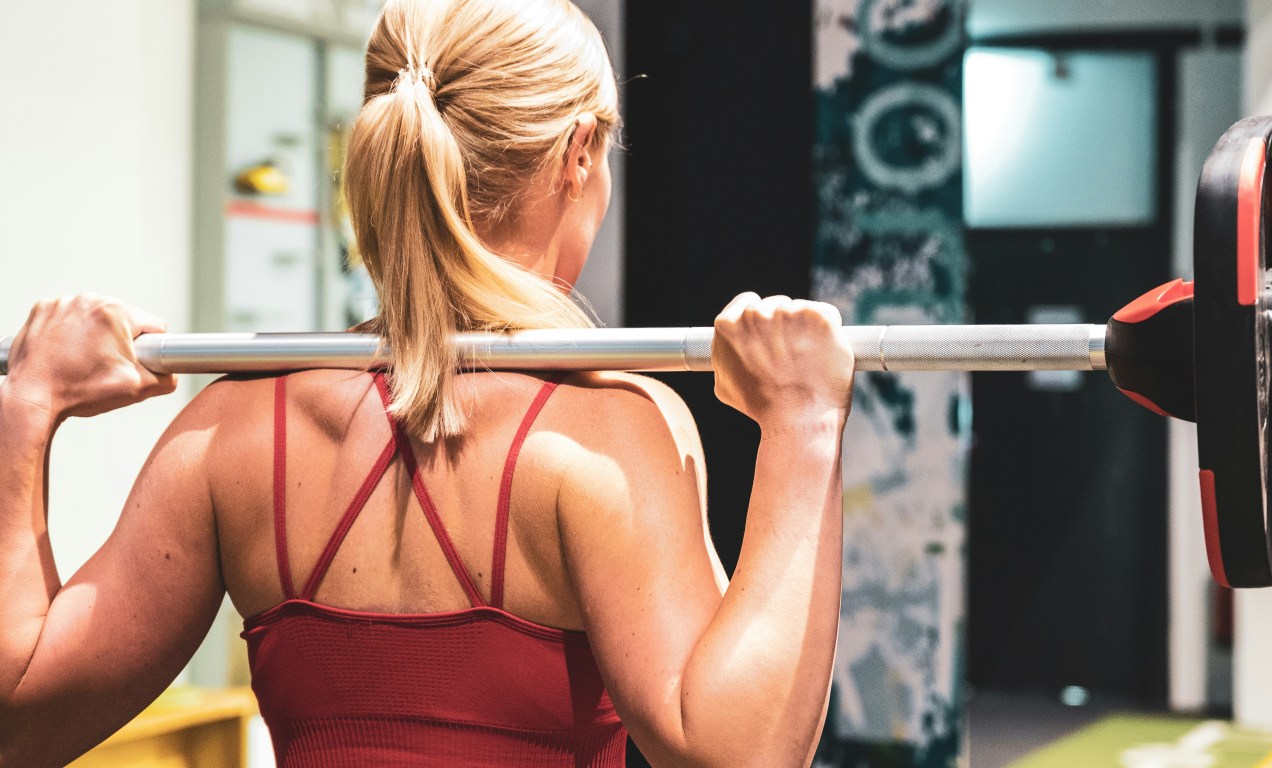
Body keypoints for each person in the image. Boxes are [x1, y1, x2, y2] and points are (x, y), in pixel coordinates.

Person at [0, 1, 854, 765]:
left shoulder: (228, 429)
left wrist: (26, 408)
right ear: (578, 153)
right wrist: (805, 423)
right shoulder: (607, 432)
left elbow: (17, 722)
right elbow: (740, 754)